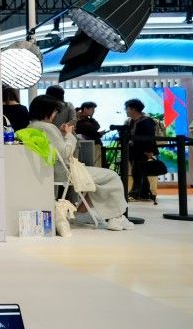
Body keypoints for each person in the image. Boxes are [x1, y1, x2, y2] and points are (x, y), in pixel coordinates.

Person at [27, 95, 132, 231]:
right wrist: (69, 134)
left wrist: (62, 134)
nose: (55, 114)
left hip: (52, 171)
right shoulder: (48, 128)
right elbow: (65, 152)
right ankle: (116, 217)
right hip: (65, 172)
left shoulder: (31, 127)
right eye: (55, 111)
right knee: (112, 176)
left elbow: (55, 148)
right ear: (47, 111)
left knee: (100, 181)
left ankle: (83, 212)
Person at [124, 98, 158, 201]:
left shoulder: (147, 121)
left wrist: (149, 151)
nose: (126, 110)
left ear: (134, 109)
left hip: (143, 150)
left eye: (127, 108)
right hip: (132, 150)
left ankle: (134, 194)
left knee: (137, 172)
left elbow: (150, 137)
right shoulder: (130, 121)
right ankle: (145, 194)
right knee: (140, 171)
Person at [75, 101, 105, 167]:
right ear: (85, 109)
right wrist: (98, 134)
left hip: (91, 145)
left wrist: (97, 134)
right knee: (95, 166)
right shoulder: (80, 120)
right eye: (92, 109)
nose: (93, 111)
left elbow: (93, 129)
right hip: (90, 146)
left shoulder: (86, 119)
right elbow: (94, 127)